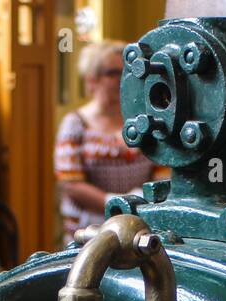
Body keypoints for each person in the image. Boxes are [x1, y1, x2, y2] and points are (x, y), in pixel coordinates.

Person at [56, 41, 157, 244]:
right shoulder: (76, 123)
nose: (122, 78)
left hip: (138, 229)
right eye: (112, 72)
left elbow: (161, 167)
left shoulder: (143, 119)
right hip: (88, 232)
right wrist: (115, 202)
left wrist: (143, 199)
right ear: (91, 80)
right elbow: (71, 184)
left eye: (126, 71)